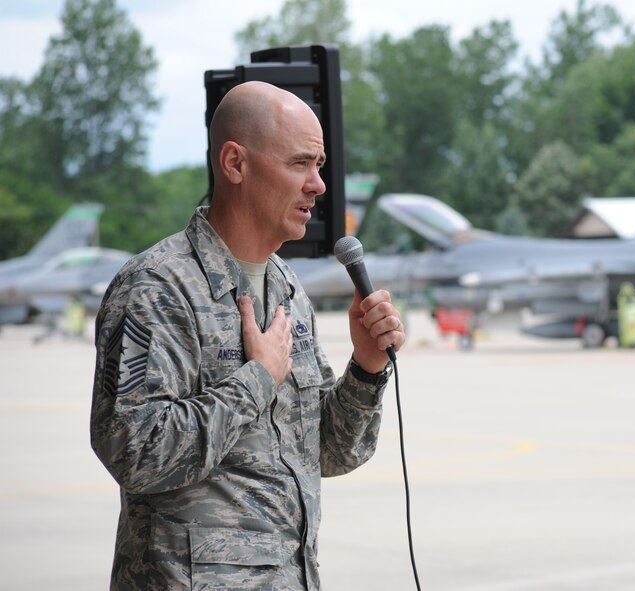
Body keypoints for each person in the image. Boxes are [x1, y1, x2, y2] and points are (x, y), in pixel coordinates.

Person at [90, 80, 405, 590]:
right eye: (300, 163)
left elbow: (327, 451)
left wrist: (366, 368)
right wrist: (255, 381)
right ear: (235, 163)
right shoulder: (157, 287)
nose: (318, 185)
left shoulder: (286, 289)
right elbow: (135, 454)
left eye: (319, 166)